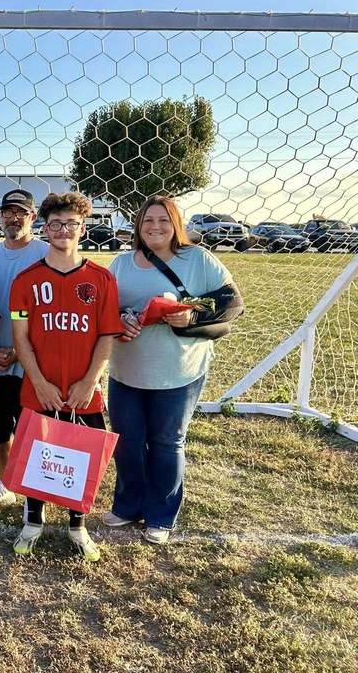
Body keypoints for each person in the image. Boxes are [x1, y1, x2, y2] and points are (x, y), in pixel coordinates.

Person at [105, 196, 236, 545]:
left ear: (176, 224)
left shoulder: (198, 259)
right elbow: (104, 313)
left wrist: (193, 316)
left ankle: (161, 515)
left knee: (166, 442)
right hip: (126, 370)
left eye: (163, 220)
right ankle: (128, 505)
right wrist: (120, 320)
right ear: (138, 225)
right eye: (148, 220)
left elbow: (232, 304)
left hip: (179, 371)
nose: (155, 227)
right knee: (127, 442)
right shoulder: (120, 264)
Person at [10, 192, 123, 562]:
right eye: (55, 223)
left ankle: (78, 526)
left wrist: (90, 380)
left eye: (70, 224)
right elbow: (20, 335)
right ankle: (33, 521)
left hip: (82, 389)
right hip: (39, 387)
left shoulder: (101, 279)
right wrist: (39, 381)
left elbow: (107, 334)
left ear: (82, 228)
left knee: (81, 457)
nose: (63, 230)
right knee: (36, 456)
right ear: (44, 227)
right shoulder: (25, 281)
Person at [0, 189, 49, 511]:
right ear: (0, 216)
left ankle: (38, 491)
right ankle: (6, 483)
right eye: (8, 212)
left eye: (21, 212)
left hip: (33, 361)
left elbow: (49, 312)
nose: (13, 218)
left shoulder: (46, 255)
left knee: (33, 429)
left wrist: (21, 352)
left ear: (33, 217)